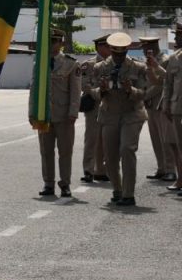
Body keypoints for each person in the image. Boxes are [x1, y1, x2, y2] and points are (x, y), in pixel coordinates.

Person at [90, 32, 147, 207]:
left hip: (131, 114)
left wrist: (131, 90)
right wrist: (102, 90)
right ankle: (118, 189)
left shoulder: (138, 67)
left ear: (127, 51)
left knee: (127, 149)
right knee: (111, 155)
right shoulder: (100, 67)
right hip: (109, 114)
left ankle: (129, 194)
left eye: (122, 54)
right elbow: (91, 90)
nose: (119, 57)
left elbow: (144, 92)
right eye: (116, 53)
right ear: (110, 51)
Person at [29, 29, 80, 198]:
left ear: (62, 43)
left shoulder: (71, 63)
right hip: (44, 115)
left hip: (64, 115)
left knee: (65, 151)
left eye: (55, 41)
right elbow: (34, 89)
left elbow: (75, 90)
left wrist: (73, 112)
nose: (52, 44)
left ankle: (65, 184)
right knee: (46, 151)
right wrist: (32, 112)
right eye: (49, 41)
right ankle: (48, 183)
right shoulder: (40, 63)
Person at [139, 36, 176, 183]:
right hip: (150, 105)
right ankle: (161, 168)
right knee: (155, 139)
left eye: (145, 47)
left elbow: (161, 84)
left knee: (166, 139)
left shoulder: (165, 60)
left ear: (152, 47)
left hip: (162, 104)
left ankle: (170, 170)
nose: (143, 50)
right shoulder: (148, 61)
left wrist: (144, 96)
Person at [79, 34, 111, 183]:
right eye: (107, 46)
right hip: (95, 106)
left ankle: (102, 169)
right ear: (99, 47)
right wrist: (99, 92)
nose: (110, 49)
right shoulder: (89, 64)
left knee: (107, 139)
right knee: (92, 139)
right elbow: (84, 85)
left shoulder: (114, 63)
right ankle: (88, 170)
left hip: (112, 105)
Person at [158, 22, 182, 191]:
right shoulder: (174, 58)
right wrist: (166, 105)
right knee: (178, 146)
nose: (176, 39)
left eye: (178, 36)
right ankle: (181, 181)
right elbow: (168, 84)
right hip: (177, 108)